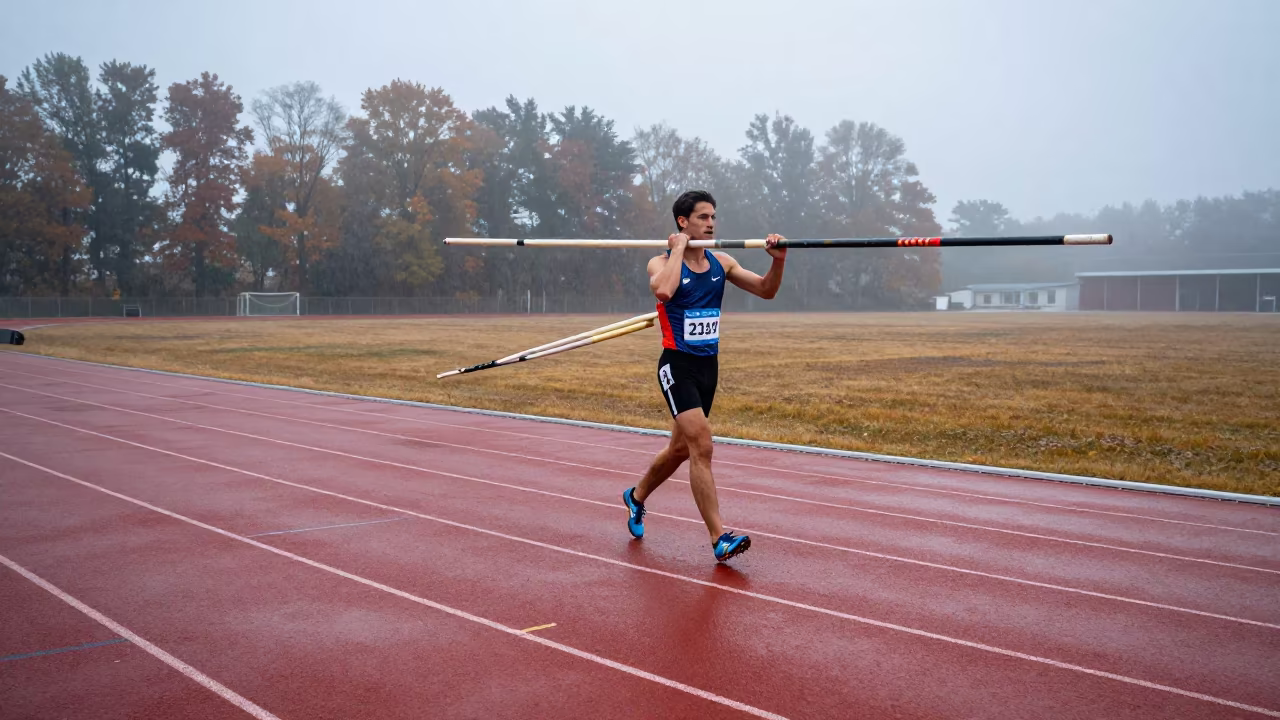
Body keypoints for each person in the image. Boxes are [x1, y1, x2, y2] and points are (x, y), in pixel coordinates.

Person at [622, 189, 786, 562]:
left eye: (713, 217)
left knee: (681, 448)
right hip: (676, 365)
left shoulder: (722, 263)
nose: (711, 223)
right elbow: (664, 290)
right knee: (703, 444)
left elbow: (766, 291)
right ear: (683, 222)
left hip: (708, 368)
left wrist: (778, 261)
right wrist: (678, 248)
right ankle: (718, 538)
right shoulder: (659, 263)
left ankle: (636, 495)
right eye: (702, 217)